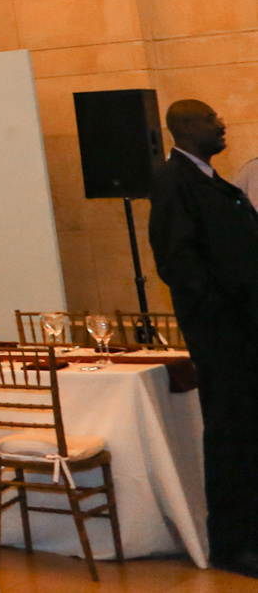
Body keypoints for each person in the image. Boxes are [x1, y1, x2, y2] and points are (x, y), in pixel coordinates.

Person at [148, 99, 258, 577]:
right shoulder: (175, 181)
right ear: (188, 127)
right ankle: (232, 545)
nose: (222, 123)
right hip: (222, 334)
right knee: (231, 436)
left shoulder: (211, 181)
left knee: (247, 434)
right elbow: (177, 261)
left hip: (241, 329)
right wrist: (221, 312)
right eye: (212, 118)